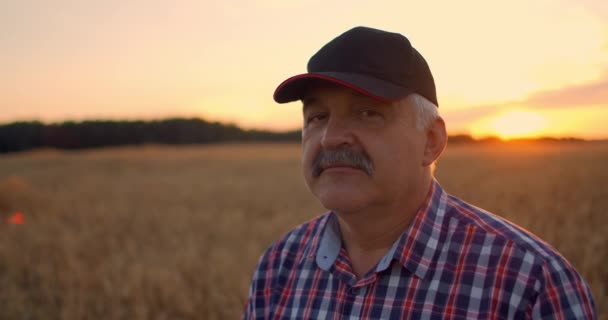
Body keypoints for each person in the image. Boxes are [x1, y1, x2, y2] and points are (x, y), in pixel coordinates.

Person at [243, 26, 597, 319]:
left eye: (368, 113)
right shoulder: (279, 266)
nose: (331, 137)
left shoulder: (529, 283)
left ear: (431, 141)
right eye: (317, 117)